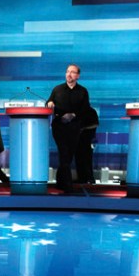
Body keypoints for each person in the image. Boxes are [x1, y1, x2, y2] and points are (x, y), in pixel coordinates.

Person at [47, 64, 90, 192]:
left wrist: (74, 115)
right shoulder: (57, 89)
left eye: (72, 72)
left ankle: (60, 182)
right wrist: (49, 103)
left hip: (74, 127)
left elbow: (86, 109)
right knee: (64, 152)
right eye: (67, 71)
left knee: (68, 155)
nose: (69, 74)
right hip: (59, 126)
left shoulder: (83, 91)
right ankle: (67, 186)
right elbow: (48, 102)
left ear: (78, 76)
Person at [76, 106, 99, 184]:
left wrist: (83, 128)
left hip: (88, 139)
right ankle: (82, 178)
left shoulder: (91, 111)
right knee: (80, 159)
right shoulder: (81, 111)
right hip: (80, 140)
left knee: (87, 159)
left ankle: (89, 178)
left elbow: (95, 124)